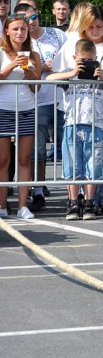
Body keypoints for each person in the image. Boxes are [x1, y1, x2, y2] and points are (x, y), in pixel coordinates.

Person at [53, 4, 103, 216]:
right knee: (77, 160)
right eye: (91, 26)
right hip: (77, 114)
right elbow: (54, 73)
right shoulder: (73, 42)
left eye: (99, 26)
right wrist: (73, 71)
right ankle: (79, 199)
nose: (96, 30)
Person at [48, 39, 103, 220]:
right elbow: (48, 78)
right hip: (72, 124)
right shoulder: (69, 75)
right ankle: (73, 202)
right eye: (83, 61)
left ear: (96, 59)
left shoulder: (101, 74)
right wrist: (74, 71)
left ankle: (89, 202)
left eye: (90, 60)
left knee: (93, 165)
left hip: (96, 125)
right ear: (75, 58)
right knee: (72, 165)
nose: (87, 65)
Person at [19, 1, 65, 212]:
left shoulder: (56, 35)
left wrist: (55, 68)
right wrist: (41, 68)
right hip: (38, 101)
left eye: (33, 17)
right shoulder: (21, 43)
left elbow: (70, 57)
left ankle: (79, 192)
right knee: (37, 149)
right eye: (25, 20)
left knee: (70, 145)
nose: (30, 22)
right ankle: (38, 191)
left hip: (63, 97)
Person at [0, 14, 40, 219]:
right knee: (3, 161)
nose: (19, 33)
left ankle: (23, 206)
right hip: (3, 110)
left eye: (23, 29)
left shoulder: (33, 56)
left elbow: (37, 87)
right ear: (7, 31)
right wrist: (12, 64)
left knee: (24, 159)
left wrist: (30, 73)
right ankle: (2, 206)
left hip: (26, 109)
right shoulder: (1, 52)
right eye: (15, 29)